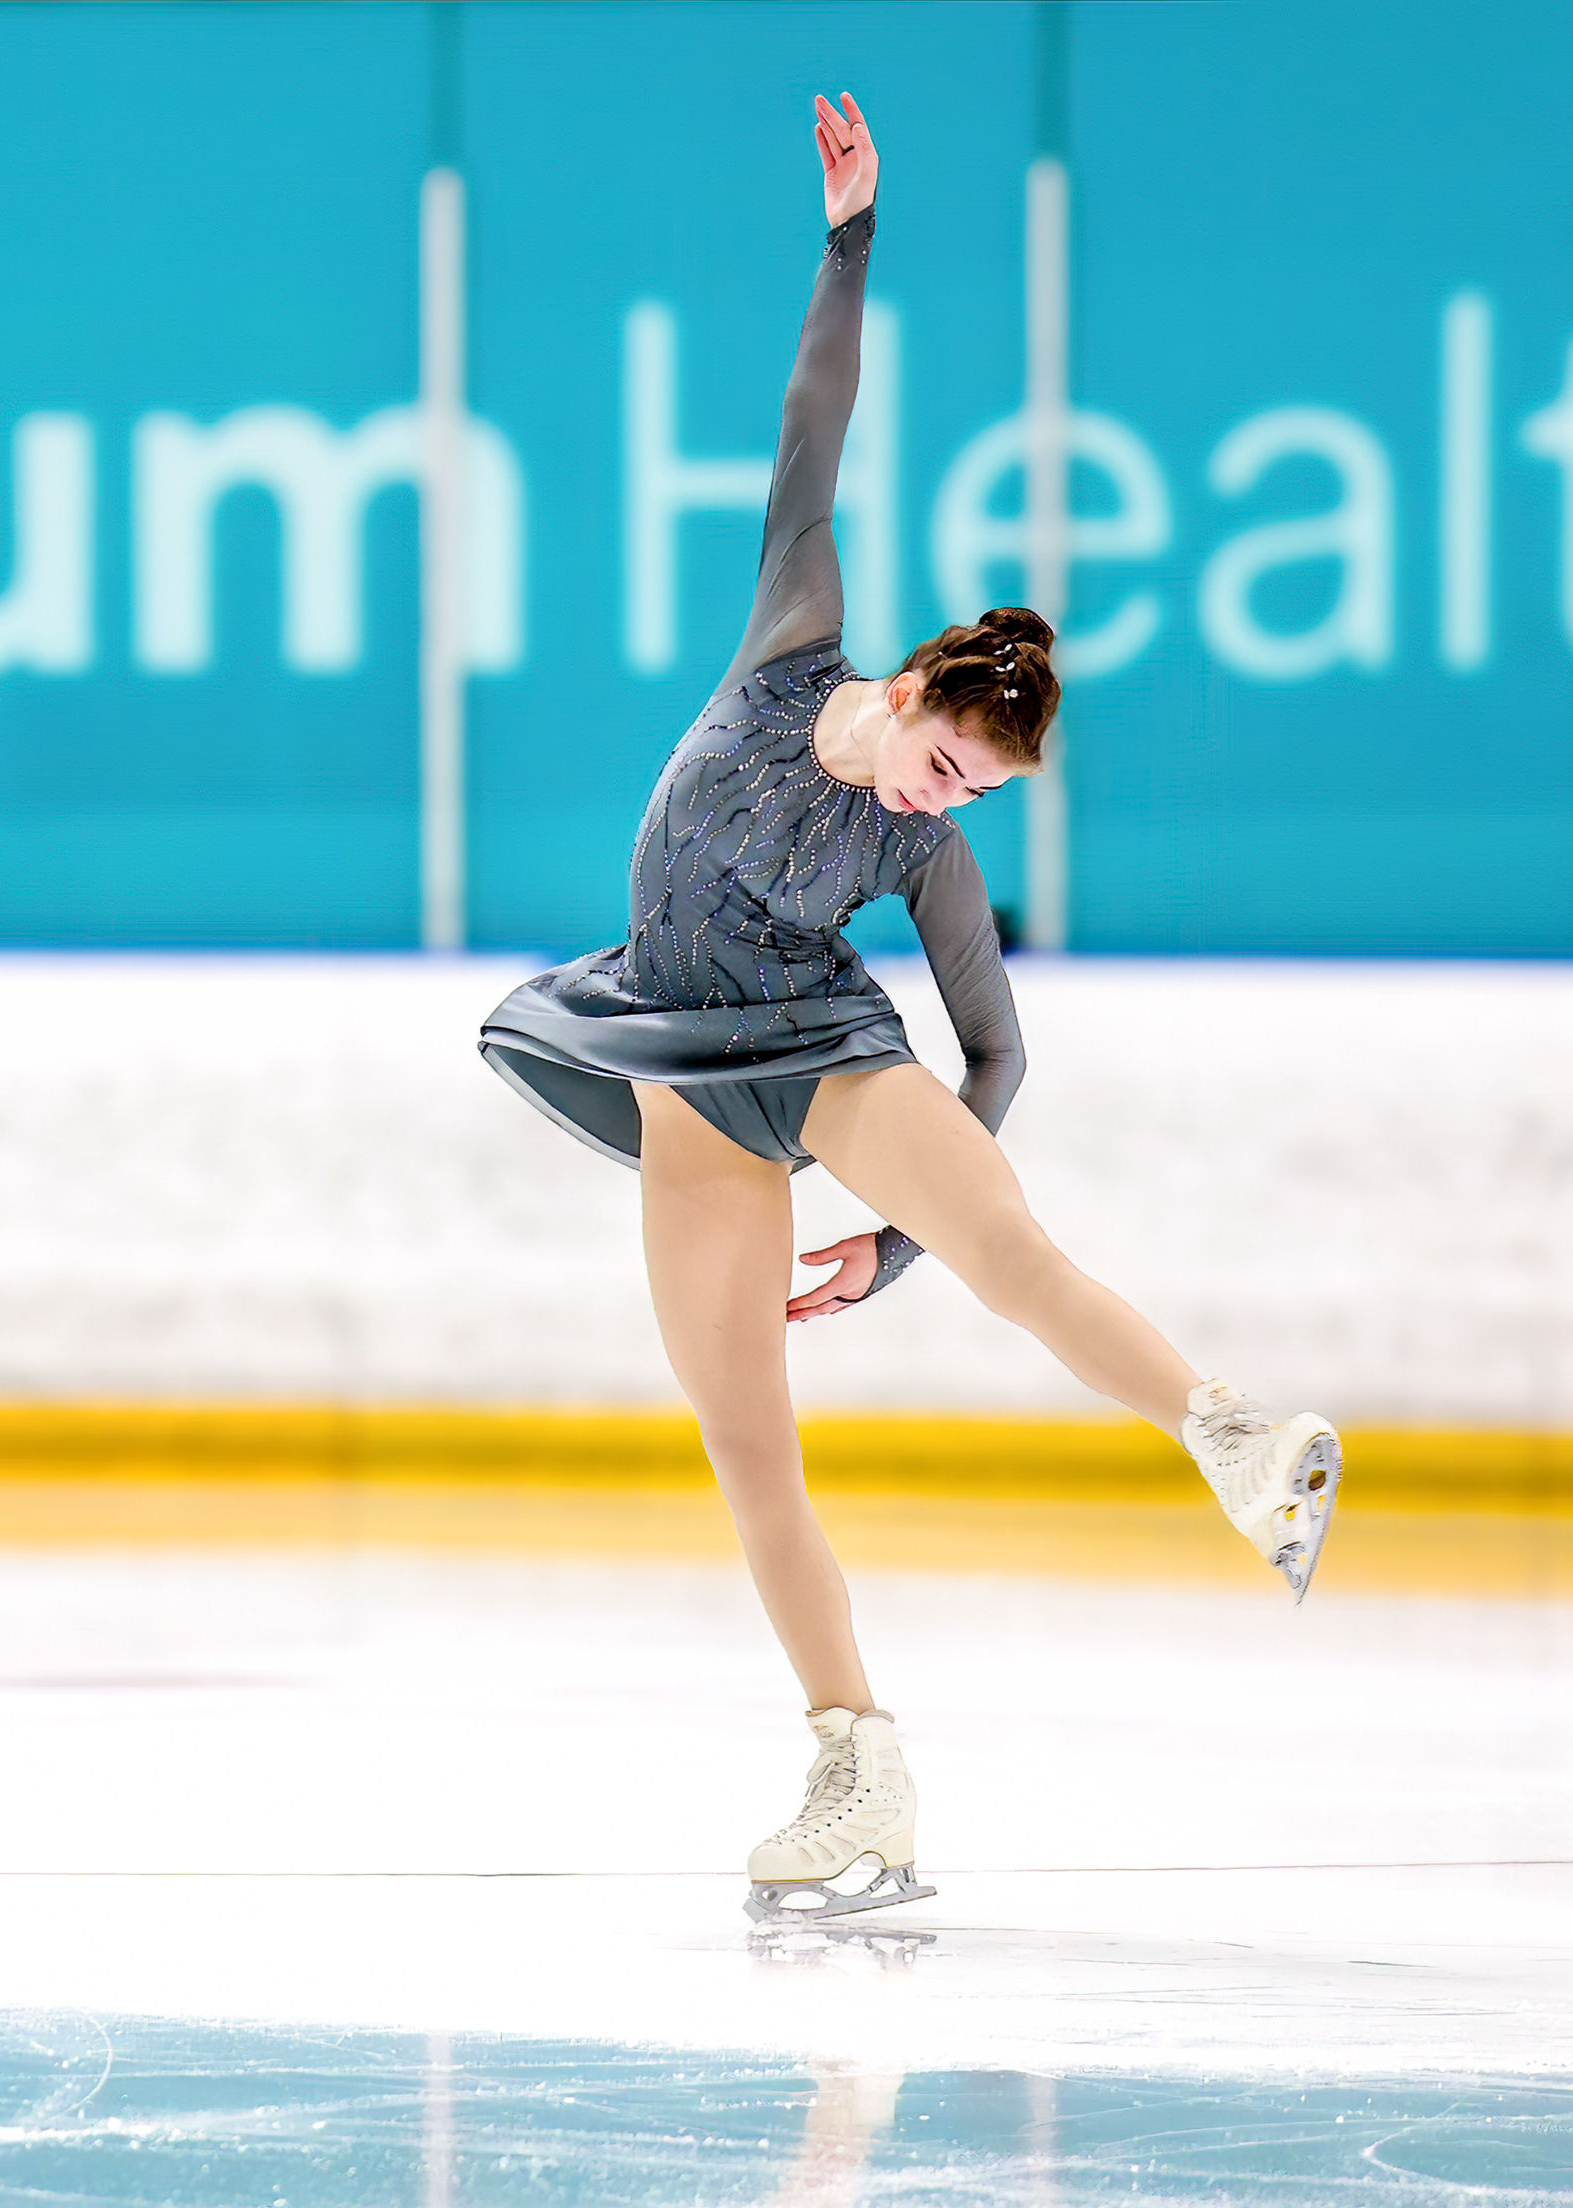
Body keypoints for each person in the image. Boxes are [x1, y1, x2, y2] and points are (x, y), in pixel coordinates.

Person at [481, 91, 1340, 1923]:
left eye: (979, 798)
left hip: (819, 1051)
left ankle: (1233, 1434)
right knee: (745, 1439)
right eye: (951, 766)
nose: (950, 807)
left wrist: (896, 1249)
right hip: (679, 1070)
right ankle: (857, 1767)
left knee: (1012, 1250)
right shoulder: (794, 635)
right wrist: (850, 239)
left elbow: (996, 1048)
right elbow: (816, 422)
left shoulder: (922, 855)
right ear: (918, 689)